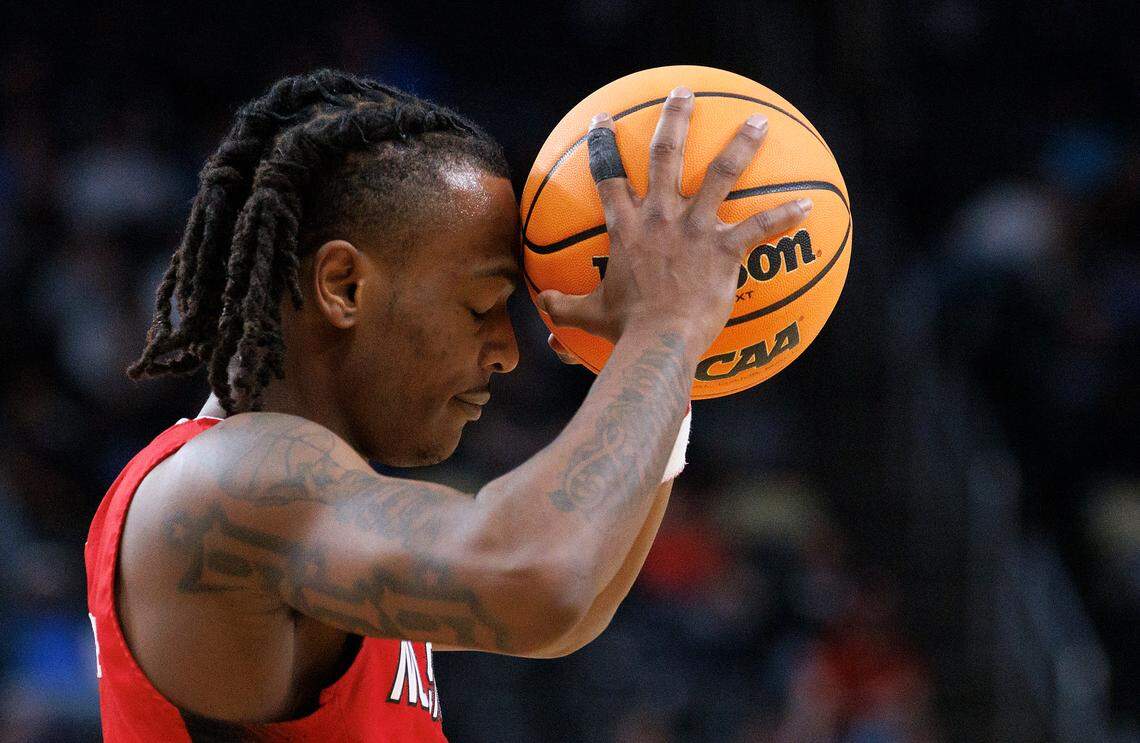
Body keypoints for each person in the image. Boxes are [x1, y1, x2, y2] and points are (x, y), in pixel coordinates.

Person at [84, 69, 810, 741]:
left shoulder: (308, 498)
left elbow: (567, 614)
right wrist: (666, 324)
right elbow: (540, 578)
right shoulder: (232, 482)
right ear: (343, 285)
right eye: (481, 306)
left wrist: (664, 364)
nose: (508, 351)